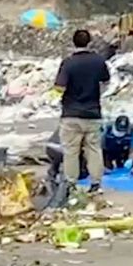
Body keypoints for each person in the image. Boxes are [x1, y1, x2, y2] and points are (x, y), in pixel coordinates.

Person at [54, 29, 110, 194]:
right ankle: (96, 184)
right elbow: (106, 82)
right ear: (89, 42)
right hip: (93, 113)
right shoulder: (98, 62)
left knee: (71, 151)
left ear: (73, 42)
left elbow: (59, 87)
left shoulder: (68, 63)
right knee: (94, 149)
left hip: (71, 114)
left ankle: (71, 184)